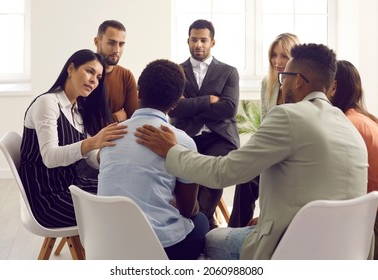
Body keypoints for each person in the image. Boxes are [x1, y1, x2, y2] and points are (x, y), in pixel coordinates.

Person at [134, 43, 368, 259]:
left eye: (283, 77)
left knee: (209, 237)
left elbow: (223, 172)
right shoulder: (348, 127)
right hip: (344, 251)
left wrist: (172, 150)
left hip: (291, 248)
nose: (281, 83)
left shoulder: (288, 115)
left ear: (297, 81)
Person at [98, 59, 209, 260]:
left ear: (138, 92)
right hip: (156, 251)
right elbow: (188, 210)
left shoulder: (110, 135)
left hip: (106, 246)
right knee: (201, 221)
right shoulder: (182, 141)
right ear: (176, 102)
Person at [19, 49, 126, 228]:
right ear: (70, 69)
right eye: (90, 71)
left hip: (73, 186)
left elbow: (90, 156)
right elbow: (50, 157)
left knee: (124, 191)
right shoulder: (48, 103)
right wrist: (93, 141)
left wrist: (111, 153)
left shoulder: (77, 109)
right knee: (119, 212)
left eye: (99, 77)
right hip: (48, 199)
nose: (94, 80)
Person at [168, 19, 240, 230]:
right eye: (193, 40)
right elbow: (174, 109)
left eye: (203, 40)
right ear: (187, 41)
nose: (198, 44)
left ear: (212, 42)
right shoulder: (176, 71)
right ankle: (204, 225)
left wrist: (188, 104)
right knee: (182, 170)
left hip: (220, 137)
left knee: (211, 170)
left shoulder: (229, 71)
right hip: (186, 136)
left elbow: (229, 108)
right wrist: (208, 100)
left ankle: (198, 223)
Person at [229, 33, 300, 228]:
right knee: (244, 179)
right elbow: (264, 125)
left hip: (290, 155)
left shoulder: (300, 87)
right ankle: (235, 231)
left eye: (284, 56)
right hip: (270, 150)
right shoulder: (267, 83)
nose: (277, 61)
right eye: (274, 55)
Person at [327, 60, 378, 259]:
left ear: (334, 87)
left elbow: (334, 182)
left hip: (371, 215)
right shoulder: (365, 118)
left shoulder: (349, 124)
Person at [94, 20, 139, 123]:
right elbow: (82, 123)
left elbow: (134, 120)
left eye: (121, 44)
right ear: (97, 42)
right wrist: (116, 118)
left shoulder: (126, 76)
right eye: (111, 43)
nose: (117, 50)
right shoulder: (84, 74)